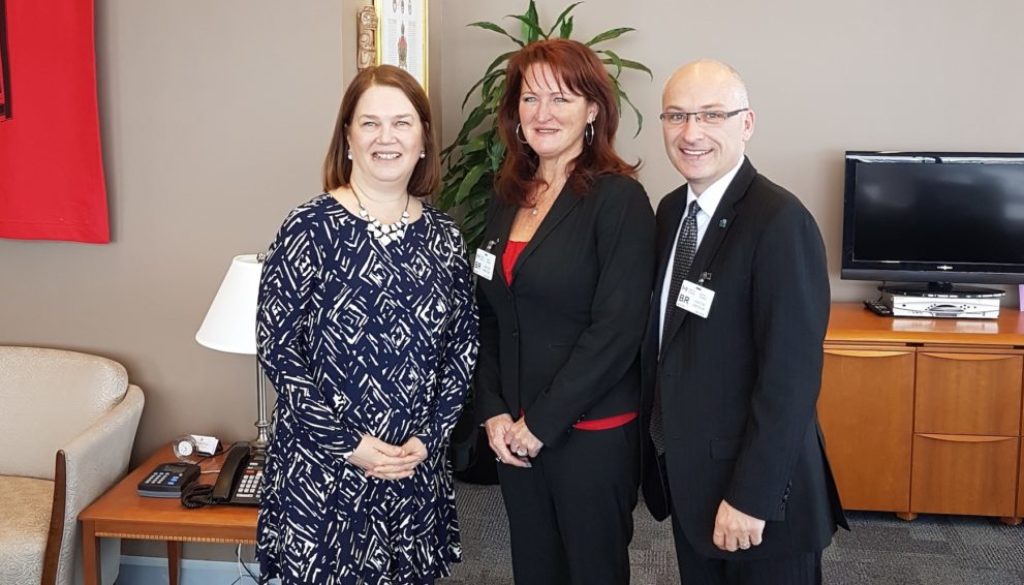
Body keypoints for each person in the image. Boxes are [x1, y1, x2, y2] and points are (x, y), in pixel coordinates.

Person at [255, 64, 479, 585]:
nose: (386, 137)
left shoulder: (444, 238)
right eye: (370, 123)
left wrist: (430, 436)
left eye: (402, 123)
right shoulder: (307, 228)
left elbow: (463, 347)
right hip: (324, 470)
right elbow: (279, 351)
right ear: (348, 138)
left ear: (423, 139)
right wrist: (348, 444)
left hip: (411, 467)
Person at [640, 59, 848, 585]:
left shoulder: (781, 221)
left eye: (712, 115)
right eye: (677, 115)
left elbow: (791, 380)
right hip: (693, 483)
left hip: (757, 499)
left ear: (746, 123)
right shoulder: (670, 213)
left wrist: (750, 498)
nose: (692, 133)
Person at [473, 39, 655, 585]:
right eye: (530, 99)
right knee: (535, 567)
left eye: (561, 99)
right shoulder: (508, 195)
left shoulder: (618, 200)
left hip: (589, 434)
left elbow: (618, 330)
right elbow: (487, 315)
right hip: (513, 433)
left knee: (591, 570)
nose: (543, 114)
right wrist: (495, 412)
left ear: (593, 110)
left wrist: (541, 424)